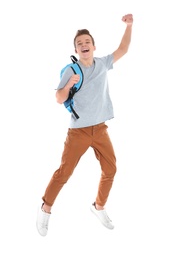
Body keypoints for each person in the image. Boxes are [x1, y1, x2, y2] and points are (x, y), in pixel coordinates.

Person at [36, 13, 133, 236]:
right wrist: (69, 84)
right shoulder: (72, 70)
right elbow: (59, 98)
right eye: (79, 44)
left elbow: (123, 49)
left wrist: (129, 25)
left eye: (87, 42)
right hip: (78, 131)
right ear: (77, 50)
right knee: (64, 173)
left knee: (111, 169)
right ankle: (45, 208)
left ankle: (98, 207)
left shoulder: (103, 63)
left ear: (94, 46)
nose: (83, 45)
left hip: (99, 129)